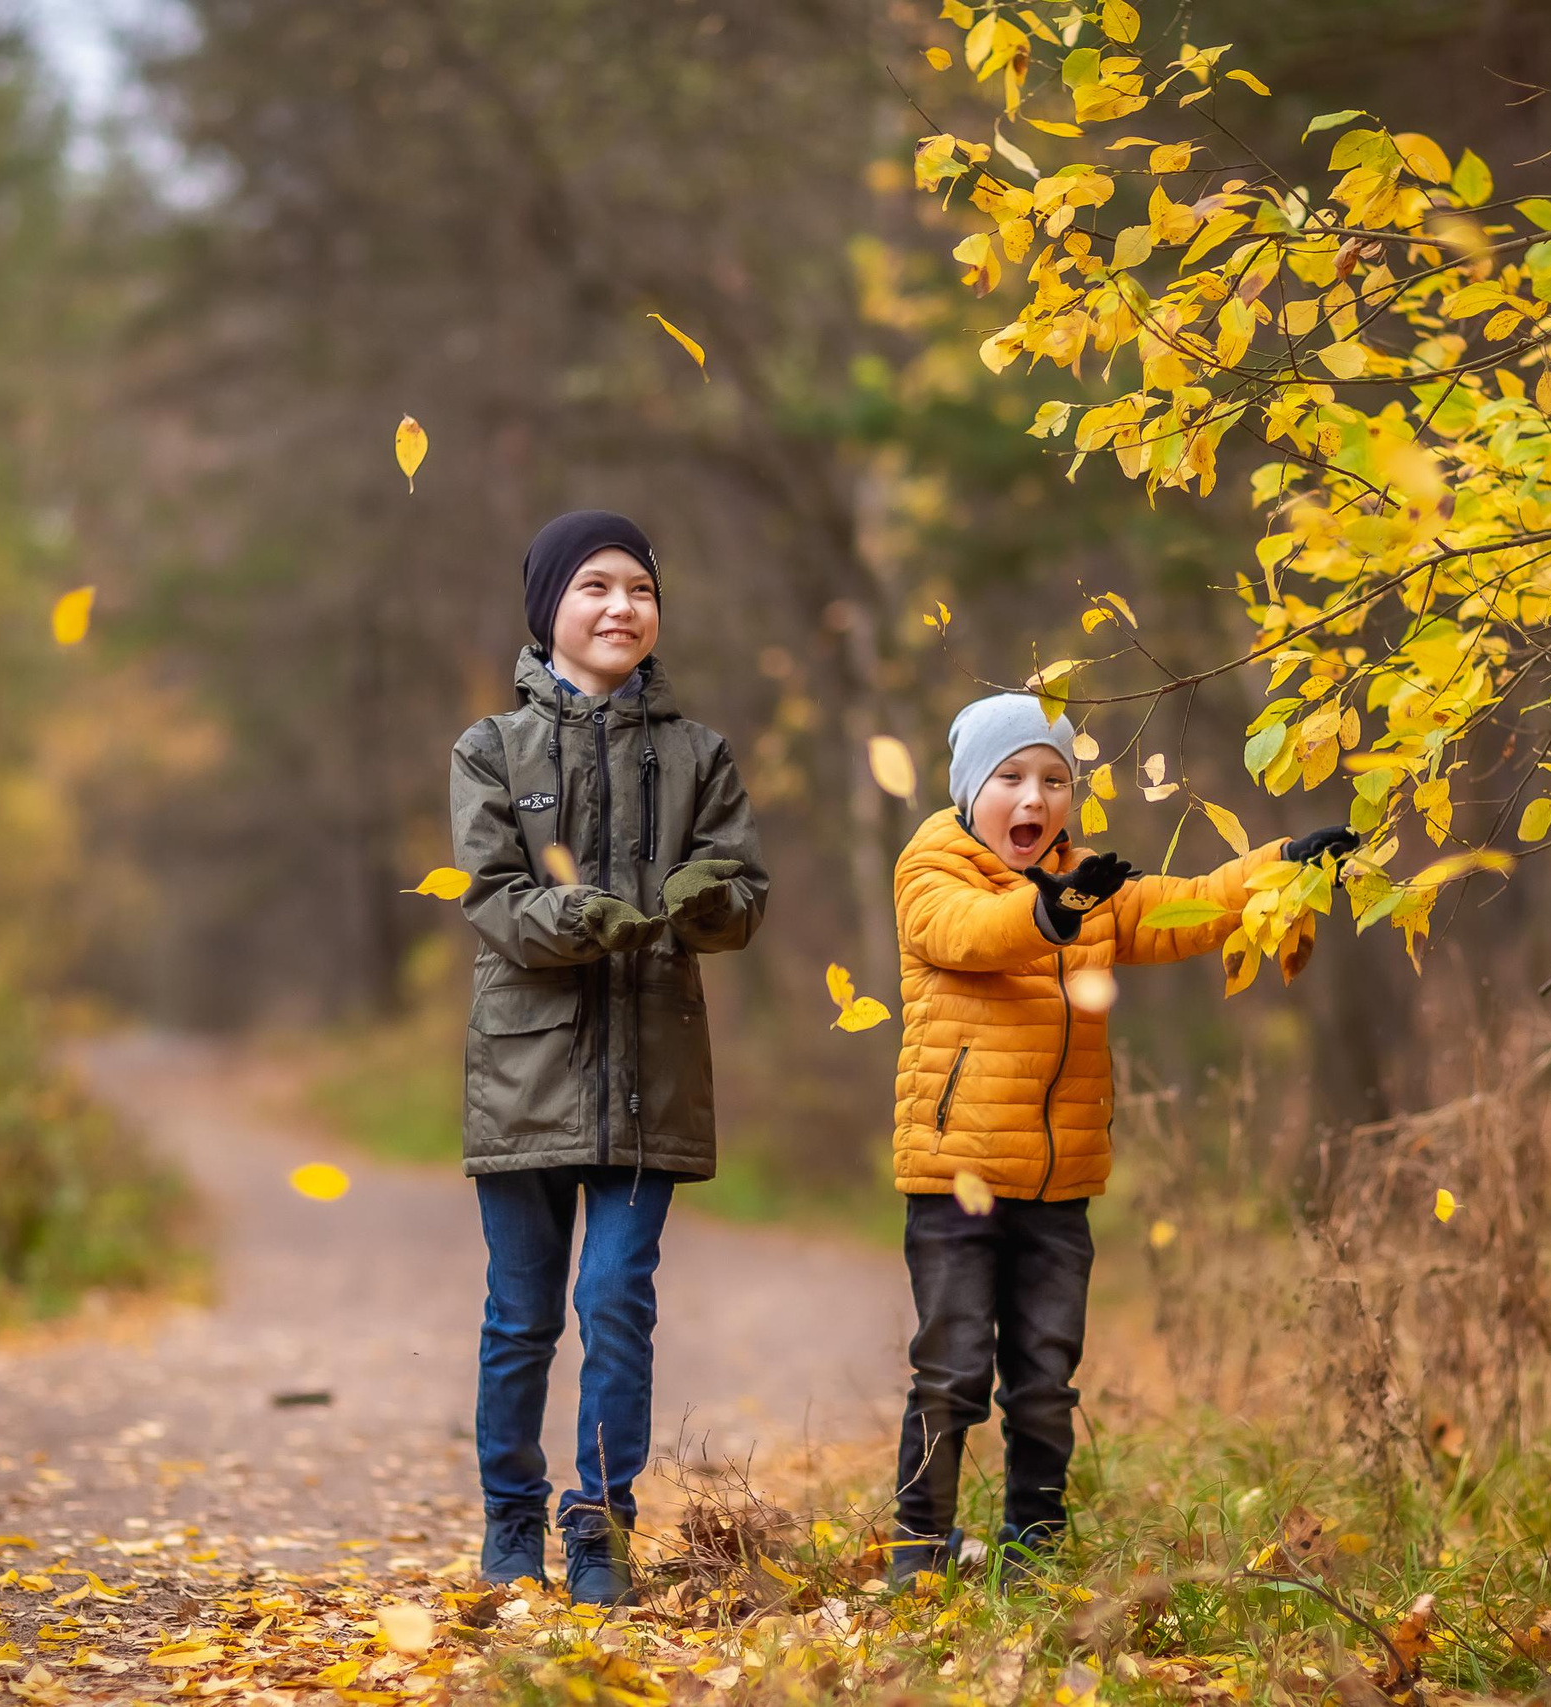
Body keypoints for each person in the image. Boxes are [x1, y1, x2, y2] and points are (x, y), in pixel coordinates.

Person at [884, 692, 1355, 1587]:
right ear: (969, 788)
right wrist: (1050, 915)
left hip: (1061, 1185)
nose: (1034, 798)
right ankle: (918, 1548)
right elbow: (968, 935)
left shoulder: (1090, 882)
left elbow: (1188, 905)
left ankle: (1034, 1550)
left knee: (1045, 1381)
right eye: (1011, 777)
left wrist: (1283, 867)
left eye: (1054, 780)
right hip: (959, 1177)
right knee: (950, 1368)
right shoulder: (933, 866)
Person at [448, 509, 768, 1606]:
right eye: (594, 587)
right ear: (550, 611)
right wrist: (579, 918)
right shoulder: (491, 748)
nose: (620, 606)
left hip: (651, 1074)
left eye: (638, 587)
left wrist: (707, 899)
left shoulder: (699, 754)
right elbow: (491, 899)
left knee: (618, 1297)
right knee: (521, 1314)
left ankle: (600, 1529)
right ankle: (508, 1528)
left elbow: (743, 895)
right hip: (524, 1076)